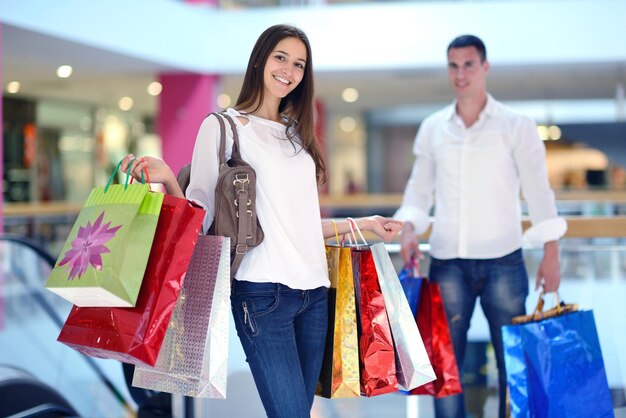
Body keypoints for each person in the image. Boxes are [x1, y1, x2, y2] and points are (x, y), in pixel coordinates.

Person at [122, 24, 403, 418]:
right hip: (261, 295)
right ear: (260, 60)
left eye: (299, 64)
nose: (289, 70)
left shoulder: (296, 136)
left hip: (315, 294)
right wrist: (169, 179)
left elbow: (300, 226)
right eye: (281, 58)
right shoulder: (223, 127)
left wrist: (367, 223)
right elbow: (200, 220)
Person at [394, 35, 567, 418]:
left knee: (513, 368)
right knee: (446, 369)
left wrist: (551, 253)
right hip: (447, 263)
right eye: (453, 66)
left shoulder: (516, 126)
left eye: (469, 65)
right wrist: (408, 227)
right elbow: (419, 190)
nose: (461, 74)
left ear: (485, 67)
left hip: (504, 262)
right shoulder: (433, 128)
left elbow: (540, 192)